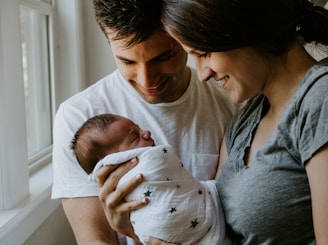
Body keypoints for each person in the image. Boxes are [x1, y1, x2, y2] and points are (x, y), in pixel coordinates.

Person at [97, 0, 328, 244]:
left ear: (246, 28)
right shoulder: (247, 117)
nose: (203, 74)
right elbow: (215, 227)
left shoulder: (319, 99)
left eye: (203, 54)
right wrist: (140, 227)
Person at [51, 0, 237, 244]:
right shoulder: (78, 118)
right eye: (128, 62)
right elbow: (95, 240)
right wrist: (131, 233)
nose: (147, 80)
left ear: (184, 37)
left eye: (163, 57)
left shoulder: (230, 102)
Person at [71, 113, 231, 245]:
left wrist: (131, 232)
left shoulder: (223, 105)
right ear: (116, 160)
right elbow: (94, 240)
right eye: (134, 137)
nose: (146, 132)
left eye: (138, 128)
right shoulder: (75, 112)